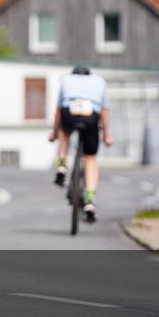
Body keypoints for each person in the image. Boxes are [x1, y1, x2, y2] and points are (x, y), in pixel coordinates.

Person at [48, 65, 113, 222]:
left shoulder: (66, 80)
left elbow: (58, 110)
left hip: (69, 113)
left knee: (65, 133)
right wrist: (106, 136)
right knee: (90, 158)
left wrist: (55, 133)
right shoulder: (99, 81)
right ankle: (90, 199)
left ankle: (62, 163)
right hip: (91, 116)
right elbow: (104, 111)